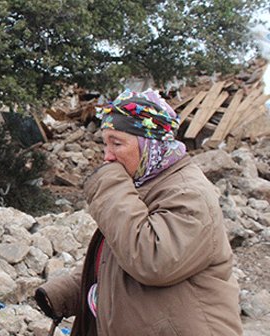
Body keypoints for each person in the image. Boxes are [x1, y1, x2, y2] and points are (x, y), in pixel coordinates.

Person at [35, 89, 243, 335]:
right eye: (105, 143)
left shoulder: (188, 194)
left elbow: (152, 260)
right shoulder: (144, 183)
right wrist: (66, 292)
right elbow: (118, 255)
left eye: (117, 143)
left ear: (150, 144)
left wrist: (110, 185)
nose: (107, 156)